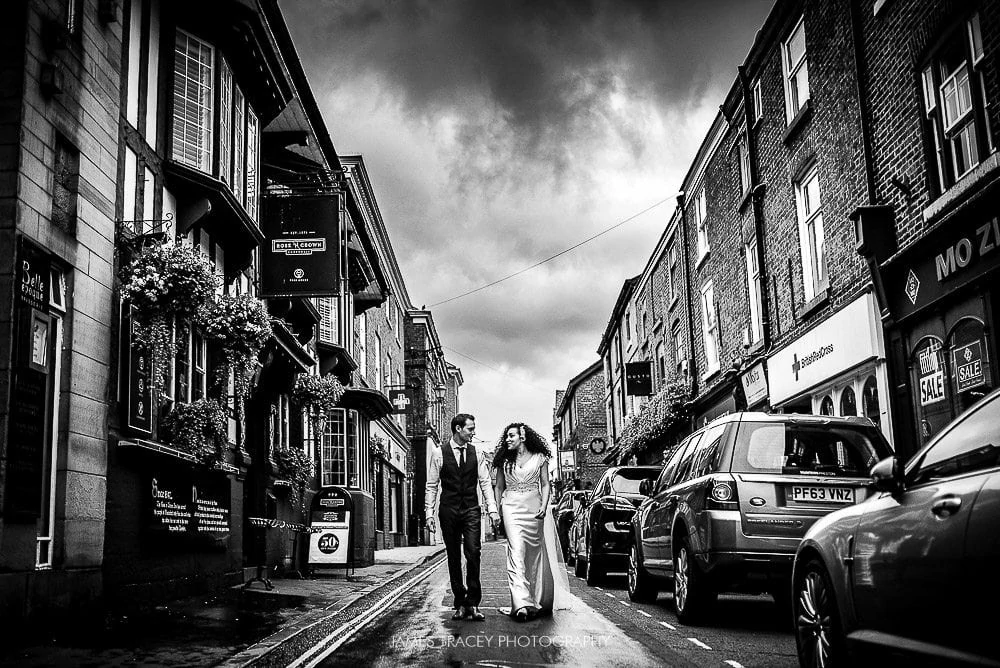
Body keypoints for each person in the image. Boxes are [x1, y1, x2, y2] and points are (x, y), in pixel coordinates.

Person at [493, 422, 572, 622]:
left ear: (523, 436)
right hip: (511, 507)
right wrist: (497, 509)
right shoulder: (504, 460)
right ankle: (521, 604)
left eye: (512, 436)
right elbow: (499, 486)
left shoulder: (540, 458)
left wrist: (544, 507)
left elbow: (546, 485)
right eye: (506, 436)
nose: (508, 439)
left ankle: (536, 599)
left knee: (534, 555)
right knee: (516, 551)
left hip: (534, 507)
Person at [425, 413, 500, 621]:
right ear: (458, 429)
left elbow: (485, 483)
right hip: (448, 510)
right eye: (470, 429)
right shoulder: (439, 453)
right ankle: (460, 602)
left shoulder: (478, 453)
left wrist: (492, 509)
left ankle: (473, 603)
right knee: (453, 556)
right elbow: (431, 486)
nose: (473, 432)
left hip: (471, 510)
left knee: (473, 552)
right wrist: (429, 513)